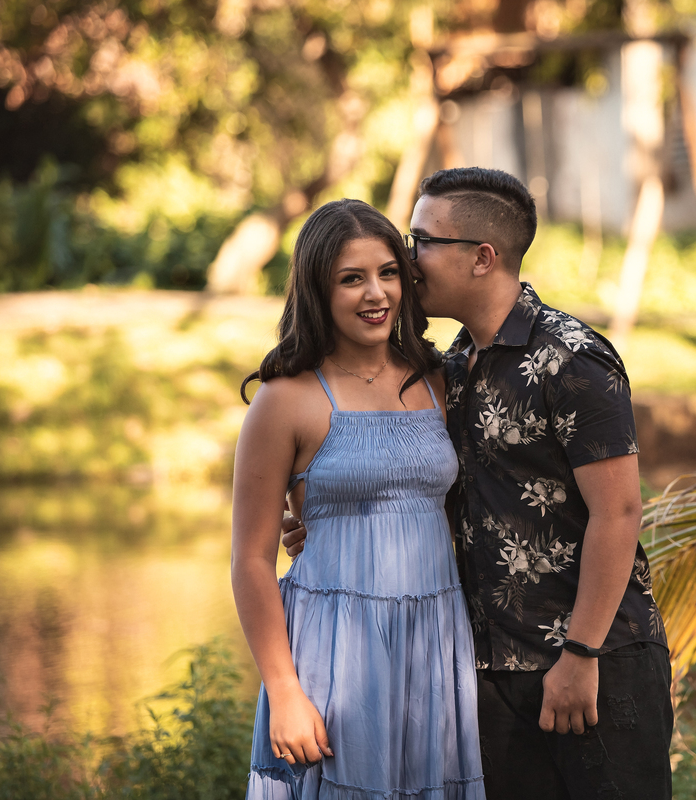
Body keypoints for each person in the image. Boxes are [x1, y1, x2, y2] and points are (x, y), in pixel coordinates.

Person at [284, 168, 673, 800]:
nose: (407, 262)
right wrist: (330, 519)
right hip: (486, 672)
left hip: (597, 663)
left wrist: (579, 655)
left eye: (421, 241)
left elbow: (621, 513)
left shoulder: (571, 359)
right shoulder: (450, 366)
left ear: (482, 257)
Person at [231, 198, 485, 799]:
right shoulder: (285, 399)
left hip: (433, 641)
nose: (376, 294)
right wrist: (285, 690)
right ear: (318, 290)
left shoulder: (437, 380)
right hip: (332, 648)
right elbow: (248, 561)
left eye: (388, 272)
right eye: (352, 279)